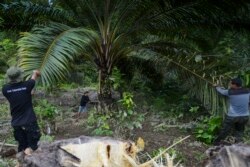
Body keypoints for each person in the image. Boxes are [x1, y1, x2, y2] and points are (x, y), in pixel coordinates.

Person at [2, 66, 41, 155]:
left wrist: (28, 93)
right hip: (29, 122)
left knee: (22, 146)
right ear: (20, 76)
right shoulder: (28, 85)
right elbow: (35, 76)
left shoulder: (5, 89)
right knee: (32, 146)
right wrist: (36, 72)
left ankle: (20, 162)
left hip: (16, 123)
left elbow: (18, 94)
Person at [213, 78, 250, 145]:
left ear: (235, 85)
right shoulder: (248, 91)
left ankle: (217, 143)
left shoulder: (230, 92)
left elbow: (222, 91)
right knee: (239, 131)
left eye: (231, 83)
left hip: (233, 116)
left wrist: (217, 87)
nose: (229, 85)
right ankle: (238, 144)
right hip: (245, 116)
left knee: (224, 130)